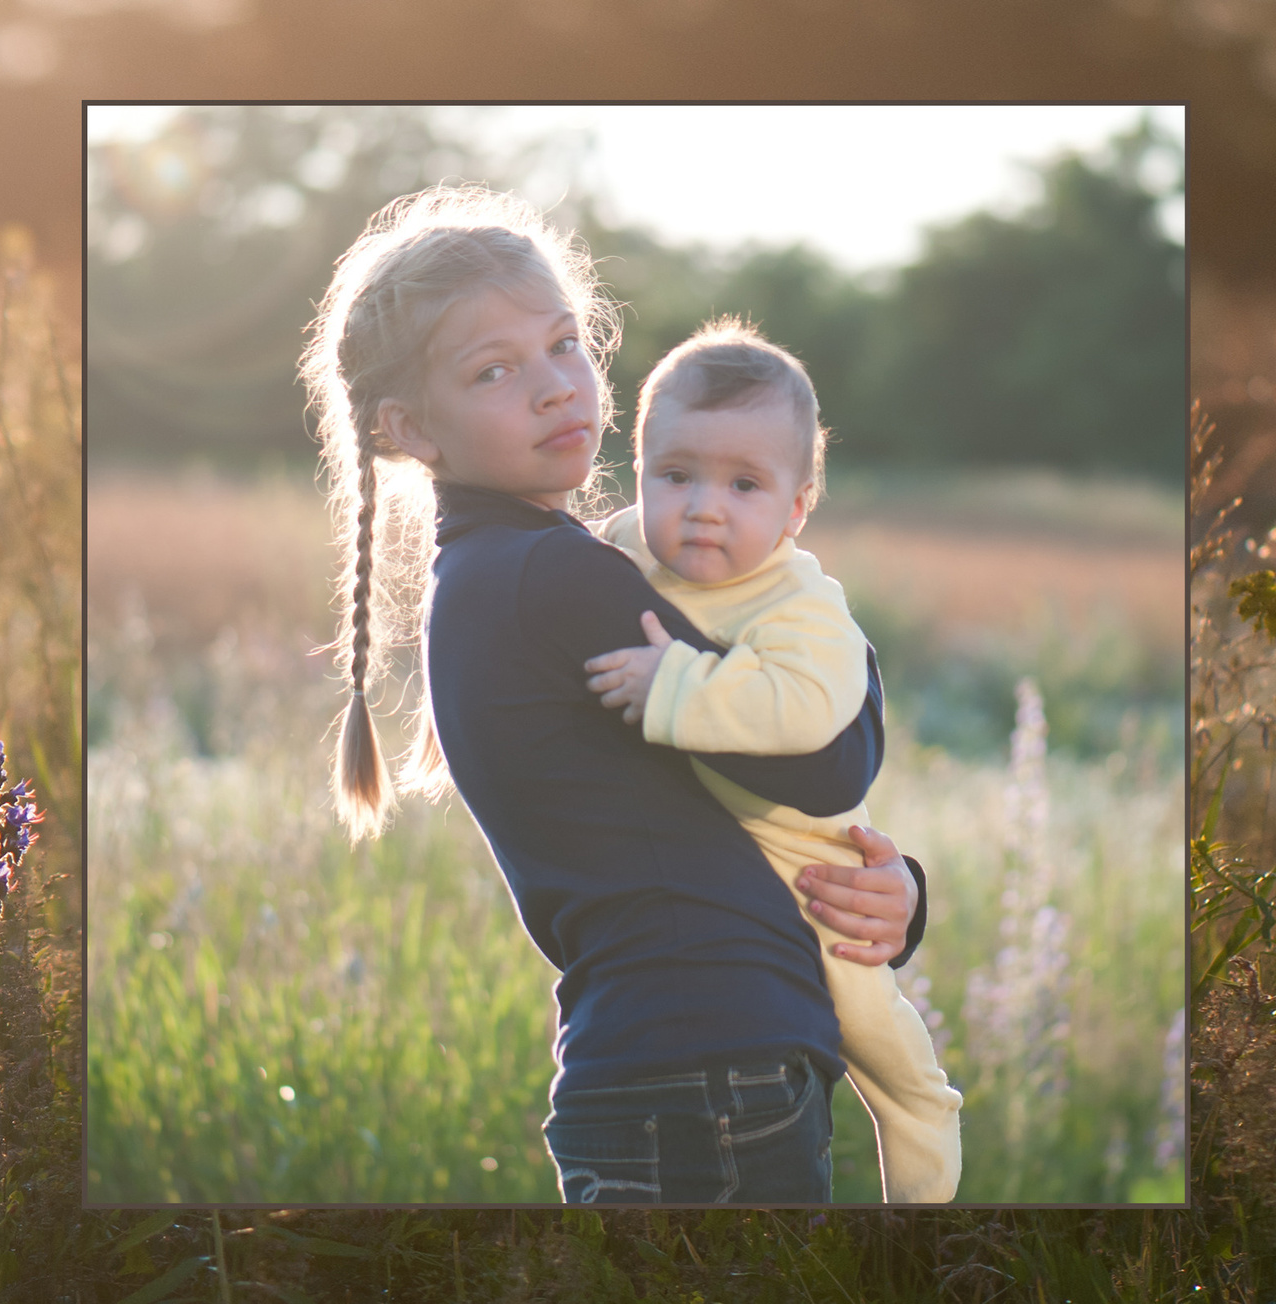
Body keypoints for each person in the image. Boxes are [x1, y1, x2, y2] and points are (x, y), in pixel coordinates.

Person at [301, 186, 927, 1204]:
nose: (555, 387)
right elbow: (827, 762)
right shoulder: (555, 577)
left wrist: (901, 894)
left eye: (563, 345)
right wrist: (811, 608)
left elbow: (727, 802)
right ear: (409, 427)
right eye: (494, 370)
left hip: (660, 1064)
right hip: (710, 1062)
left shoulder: (502, 573)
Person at [578, 319, 963, 1203]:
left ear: (796, 509)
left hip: (812, 860)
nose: (703, 506)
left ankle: (926, 1181)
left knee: (877, 1035)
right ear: (639, 473)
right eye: (676, 475)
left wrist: (676, 688)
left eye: (744, 484)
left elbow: (810, 713)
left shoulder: (802, 604)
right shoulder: (618, 551)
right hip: (705, 916)